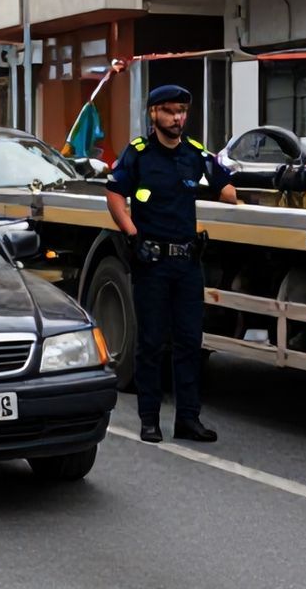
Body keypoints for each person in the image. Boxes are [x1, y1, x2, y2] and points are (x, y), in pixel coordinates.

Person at [105, 85, 238, 443]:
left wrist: (221, 188)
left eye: (181, 111)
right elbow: (115, 194)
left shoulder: (194, 154)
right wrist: (133, 234)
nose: (177, 118)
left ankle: (188, 419)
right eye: (169, 111)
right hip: (152, 262)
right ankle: (149, 419)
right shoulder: (139, 154)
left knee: (189, 343)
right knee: (151, 343)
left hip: (186, 264)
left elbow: (227, 189)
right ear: (153, 115)